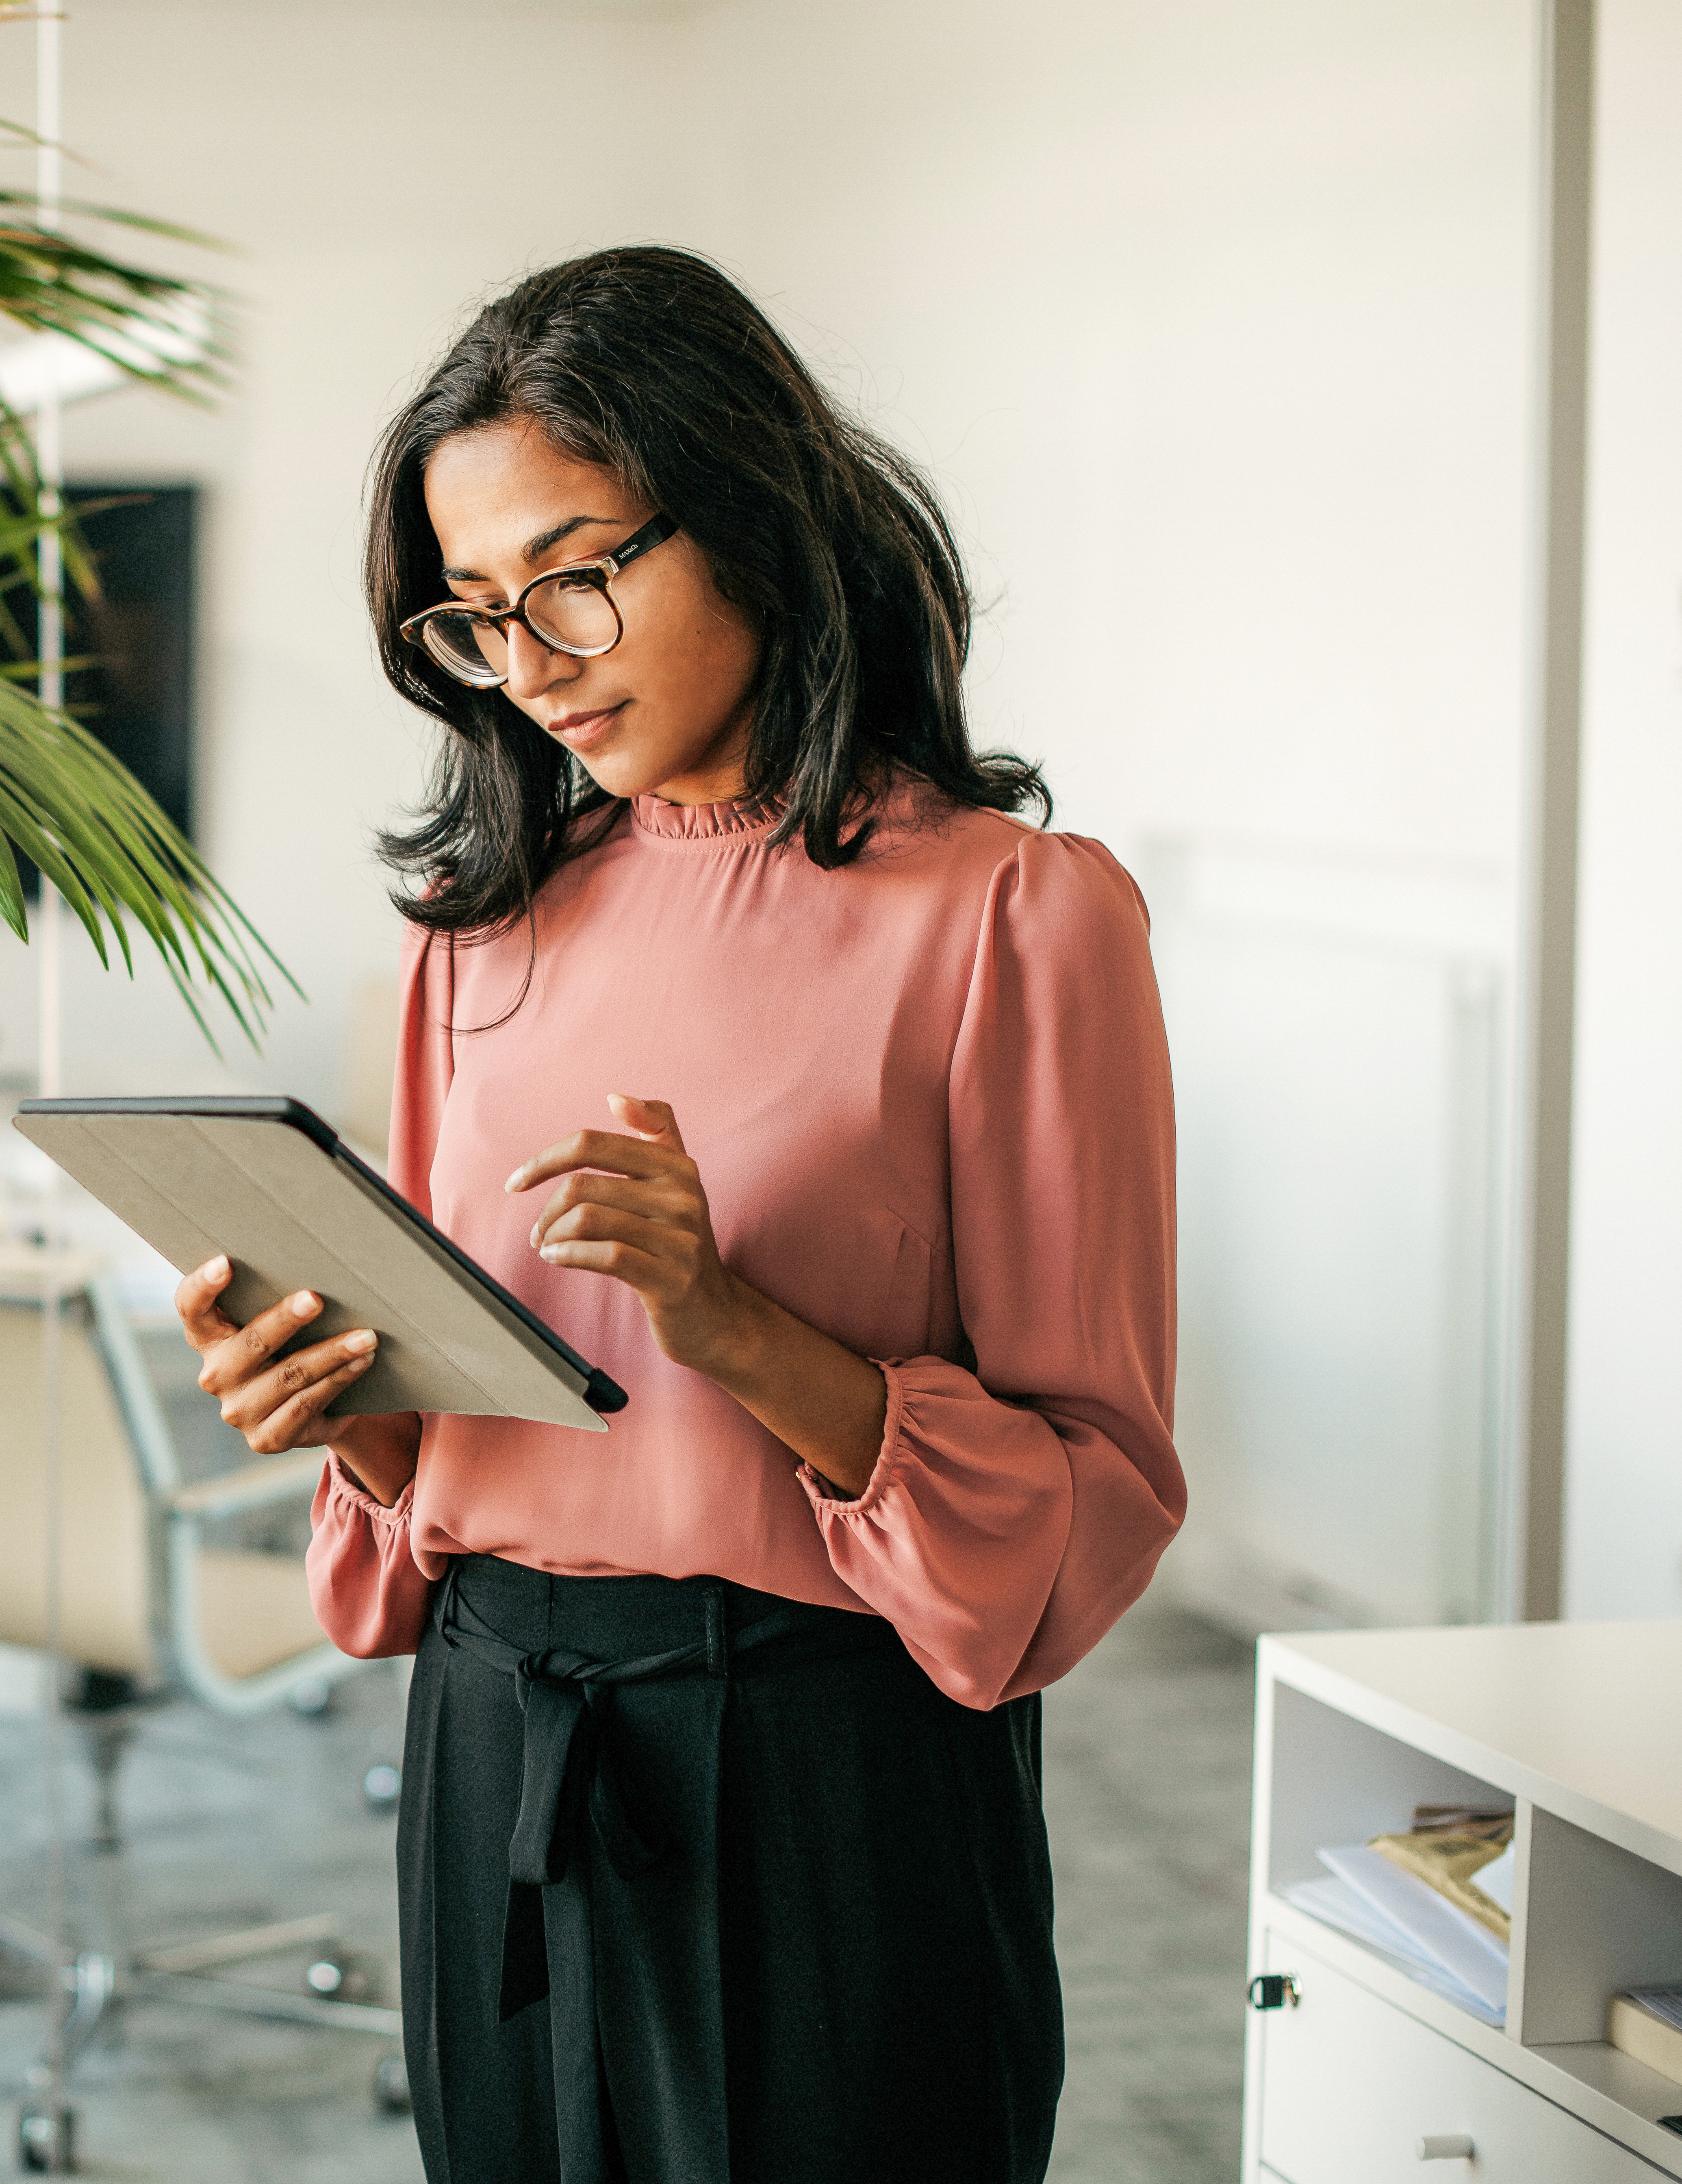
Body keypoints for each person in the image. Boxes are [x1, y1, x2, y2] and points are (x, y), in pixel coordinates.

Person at [172, 246, 1183, 2183]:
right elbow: (470, 1447)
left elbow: (1089, 1507)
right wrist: (348, 1411)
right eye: (474, 615)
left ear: (745, 517)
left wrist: (738, 1329)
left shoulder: (1012, 917)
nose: (532, 657)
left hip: (822, 1775)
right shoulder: (481, 925)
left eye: (574, 573)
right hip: (492, 1745)